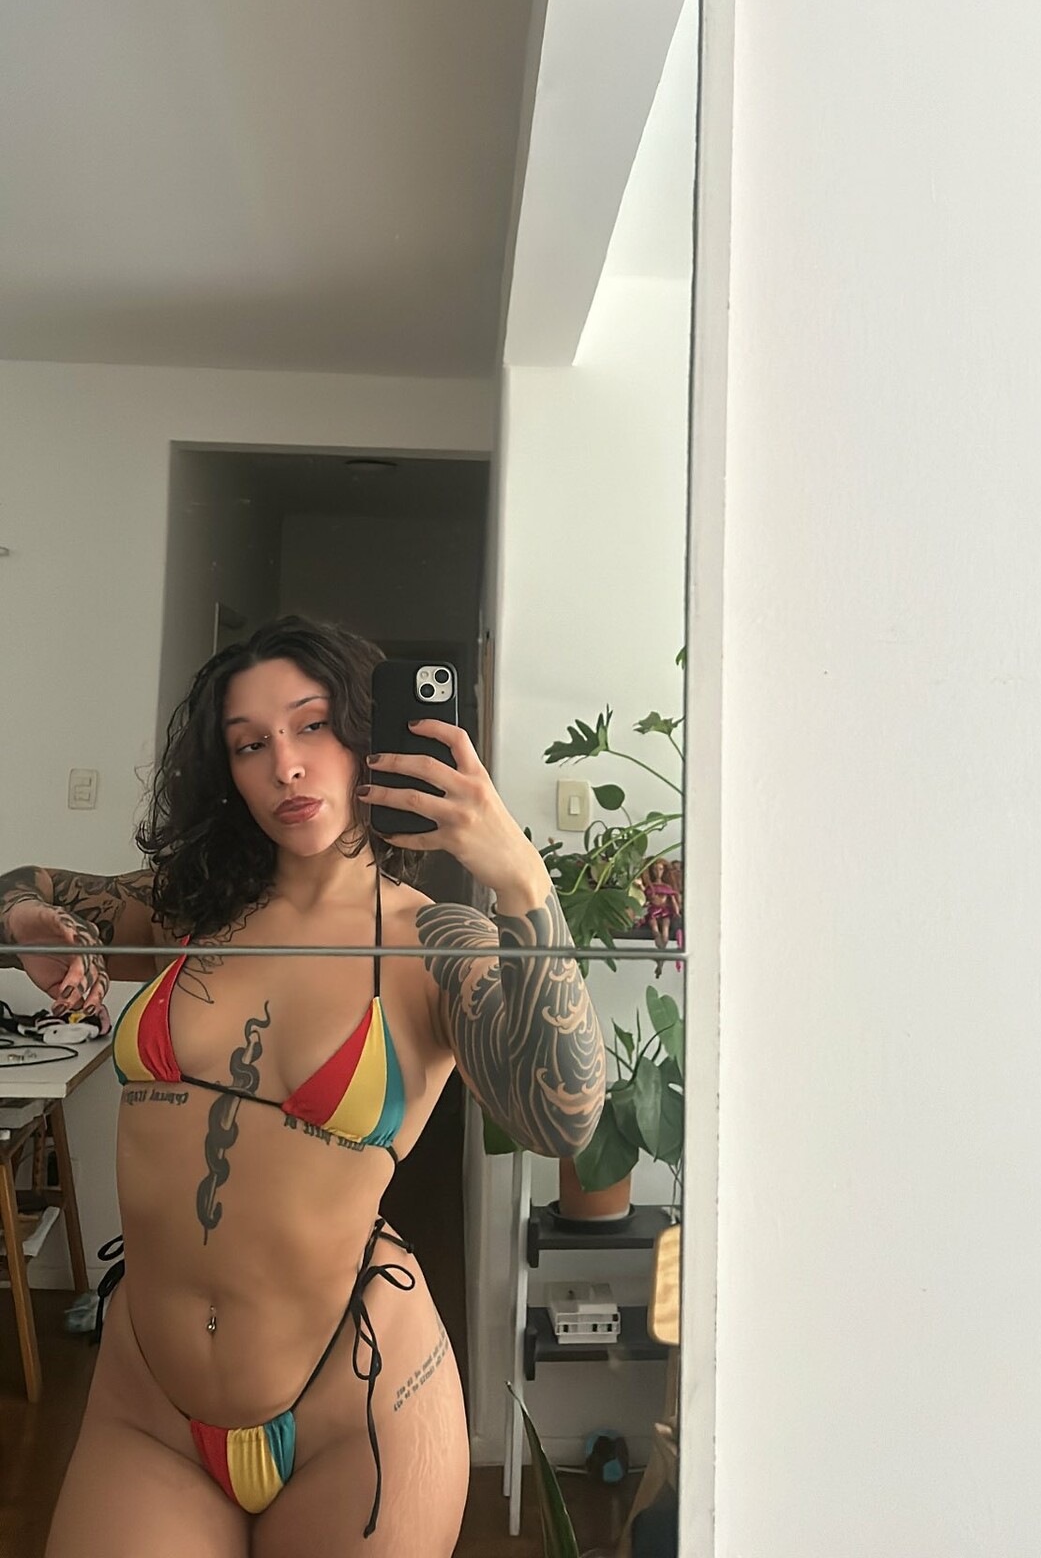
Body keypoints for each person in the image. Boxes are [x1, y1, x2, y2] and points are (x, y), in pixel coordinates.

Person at [0, 616, 604, 1558]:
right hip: (147, 1405)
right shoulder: (188, 908)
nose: (285, 764)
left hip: (356, 1407)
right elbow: (23, 881)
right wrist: (32, 922)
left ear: (368, 733)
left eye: (312, 725)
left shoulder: (435, 942)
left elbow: (563, 1116)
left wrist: (523, 881)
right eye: (250, 743)